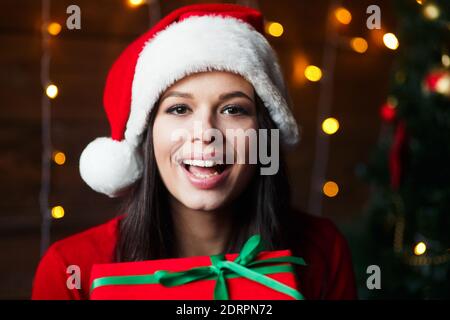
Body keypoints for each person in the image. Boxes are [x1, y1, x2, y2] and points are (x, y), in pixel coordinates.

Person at [32, 3, 357, 300]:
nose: (205, 134)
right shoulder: (70, 269)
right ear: (148, 134)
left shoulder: (323, 250)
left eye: (233, 110)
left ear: (263, 136)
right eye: (179, 109)